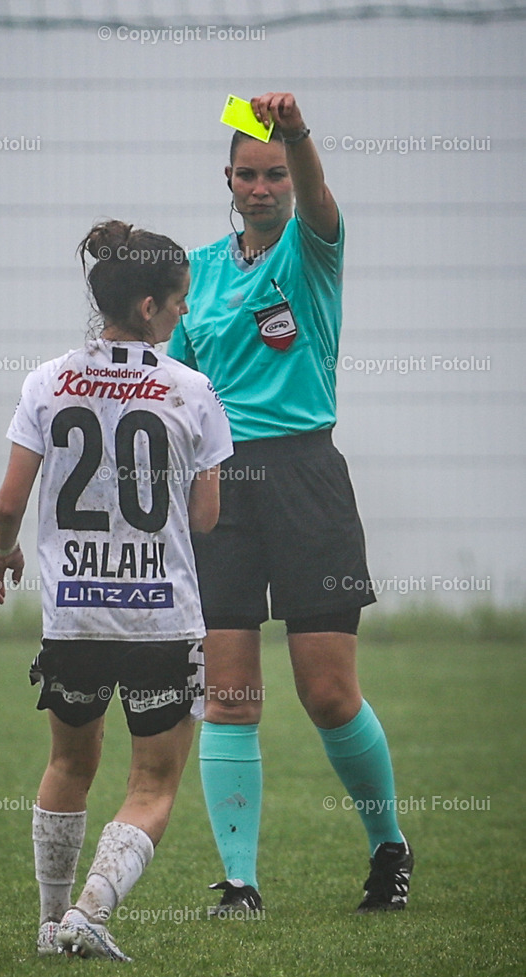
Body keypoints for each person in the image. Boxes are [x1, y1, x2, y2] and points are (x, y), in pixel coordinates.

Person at [168, 92, 413, 915]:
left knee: (327, 692)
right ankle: (239, 883)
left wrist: (300, 133)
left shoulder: (312, 251)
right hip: (219, 488)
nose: (263, 186)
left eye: (276, 172)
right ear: (227, 180)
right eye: (249, 173)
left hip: (308, 477)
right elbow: (175, 388)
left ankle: (389, 849)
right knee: (228, 693)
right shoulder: (195, 272)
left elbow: (318, 196)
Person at [0, 220, 233, 961]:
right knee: (152, 782)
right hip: (160, 617)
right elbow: (207, 518)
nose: (184, 313)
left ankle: (49, 925)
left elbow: (5, 506)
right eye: (180, 302)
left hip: (74, 617)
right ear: (150, 306)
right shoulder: (191, 390)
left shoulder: (47, 380)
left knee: (68, 765)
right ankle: (90, 912)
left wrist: (2, 556)